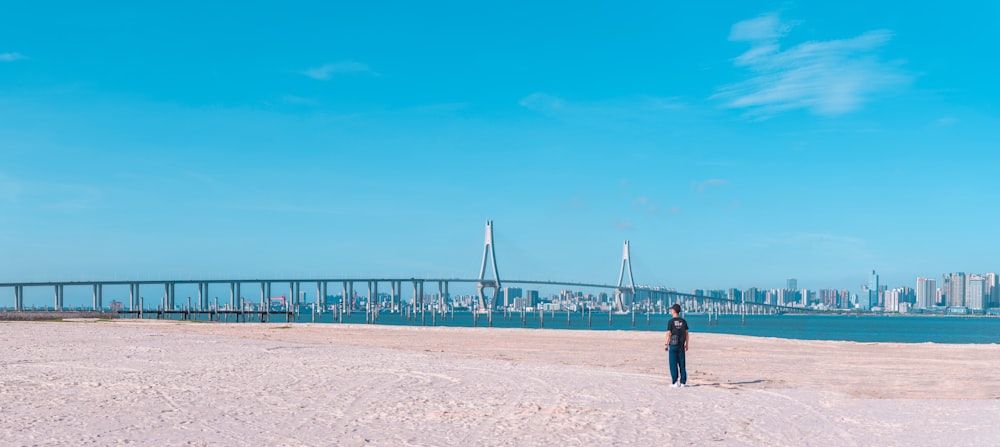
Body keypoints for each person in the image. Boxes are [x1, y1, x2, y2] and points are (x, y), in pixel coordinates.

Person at [665, 303, 689, 387]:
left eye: (671, 310)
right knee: (682, 364)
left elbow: (668, 334)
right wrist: (687, 344)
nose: (671, 311)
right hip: (681, 345)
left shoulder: (671, 322)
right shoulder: (683, 321)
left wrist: (666, 344)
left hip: (673, 345)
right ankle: (683, 382)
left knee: (673, 364)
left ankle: (675, 382)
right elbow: (686, 334)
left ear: (674, 311)